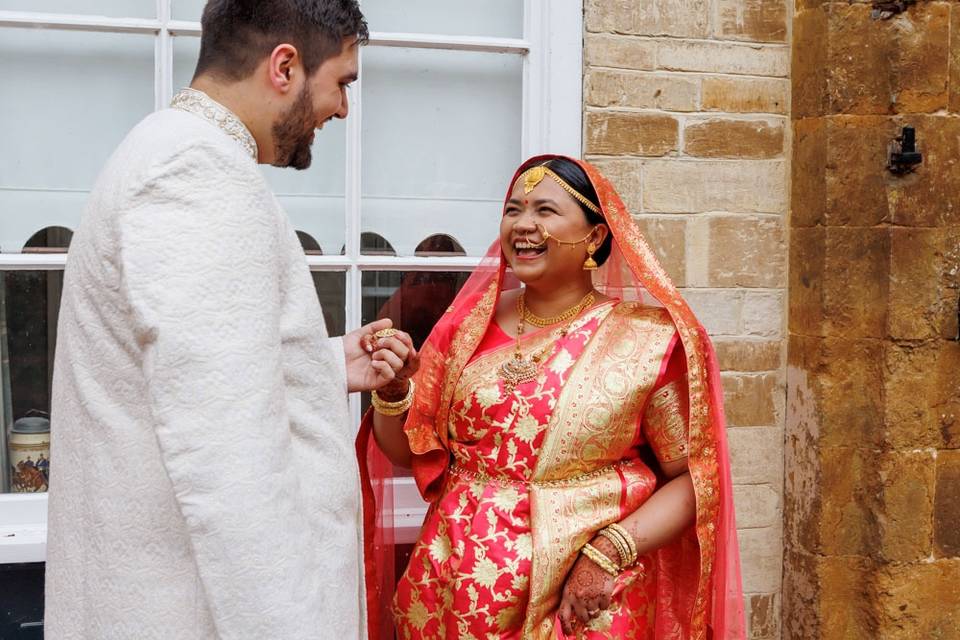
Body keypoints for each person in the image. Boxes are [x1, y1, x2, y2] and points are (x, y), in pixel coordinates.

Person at [45, 1, 415, 638]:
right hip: (191, 610)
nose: (343, 110)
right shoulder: (196, 173)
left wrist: (323, 364)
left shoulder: (174, 153)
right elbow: (230, 460)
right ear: (285, 66)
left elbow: (187, 375)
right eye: (343, 83)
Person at [360, 156, 745, 638]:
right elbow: (407, 450)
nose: (523, 225)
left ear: (596, 237)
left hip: (578, 601)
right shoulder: (465, 326)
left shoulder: (644, 342)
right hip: (455, 583)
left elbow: (694, 480)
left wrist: (611, 551)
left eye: (545, 210)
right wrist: (394, 393)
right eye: (514, 210)